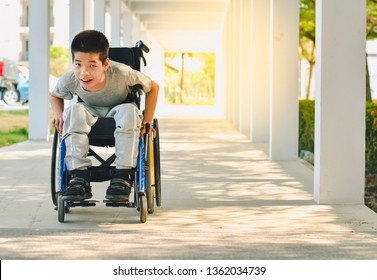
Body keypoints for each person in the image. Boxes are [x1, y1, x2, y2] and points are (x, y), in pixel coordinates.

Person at [49, 30, 159, 201]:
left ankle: (123, 175)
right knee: (73, 111)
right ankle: (78, 175)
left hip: (120, 108)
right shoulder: (70, 79)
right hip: (88, 110)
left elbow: (153, 87)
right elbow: (55, 95)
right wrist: (59, 115)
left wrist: (147, 120)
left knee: (130, 111)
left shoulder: (122, 72)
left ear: (106, 64)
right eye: (78, 64)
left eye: (92, 65)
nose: (84, 73)